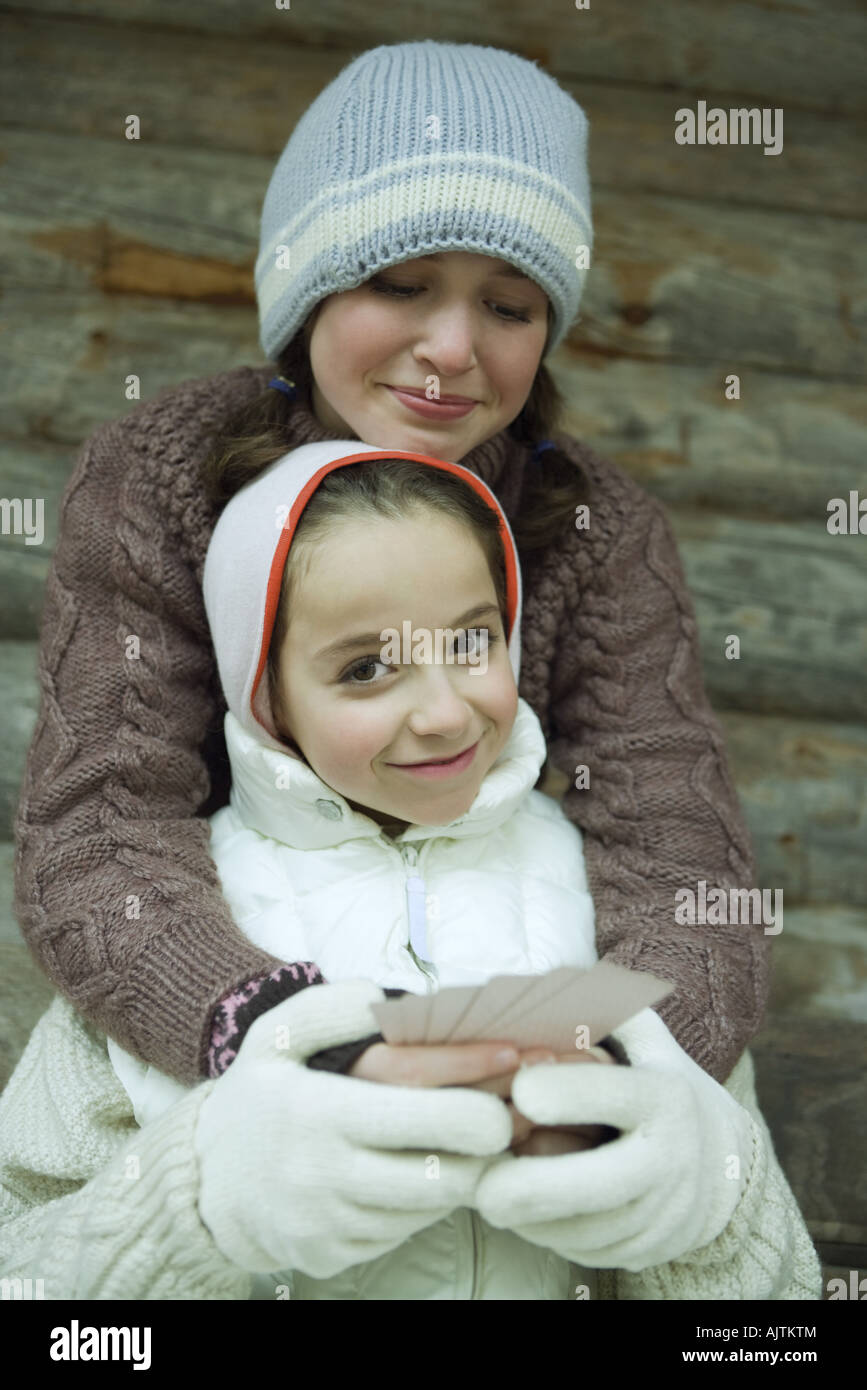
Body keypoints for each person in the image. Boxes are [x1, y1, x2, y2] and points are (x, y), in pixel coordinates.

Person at [14, 41, 767, 1121]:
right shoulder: (159, 479)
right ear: (306, 288)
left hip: (509, 1009)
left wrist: (607, 1073)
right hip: (226, 1050)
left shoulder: (598, 531)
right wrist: (295, 1045)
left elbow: (680, 857)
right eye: (402, 283)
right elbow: (102, 830)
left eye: (509, 307)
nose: (453, 347)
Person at [0, 442, 822, 1300]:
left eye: (471, 640)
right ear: (266, 693)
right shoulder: (165, 934)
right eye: (365, 668)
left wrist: (713, 1211)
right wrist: (193, 1209)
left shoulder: (630, 924)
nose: (441, 712)